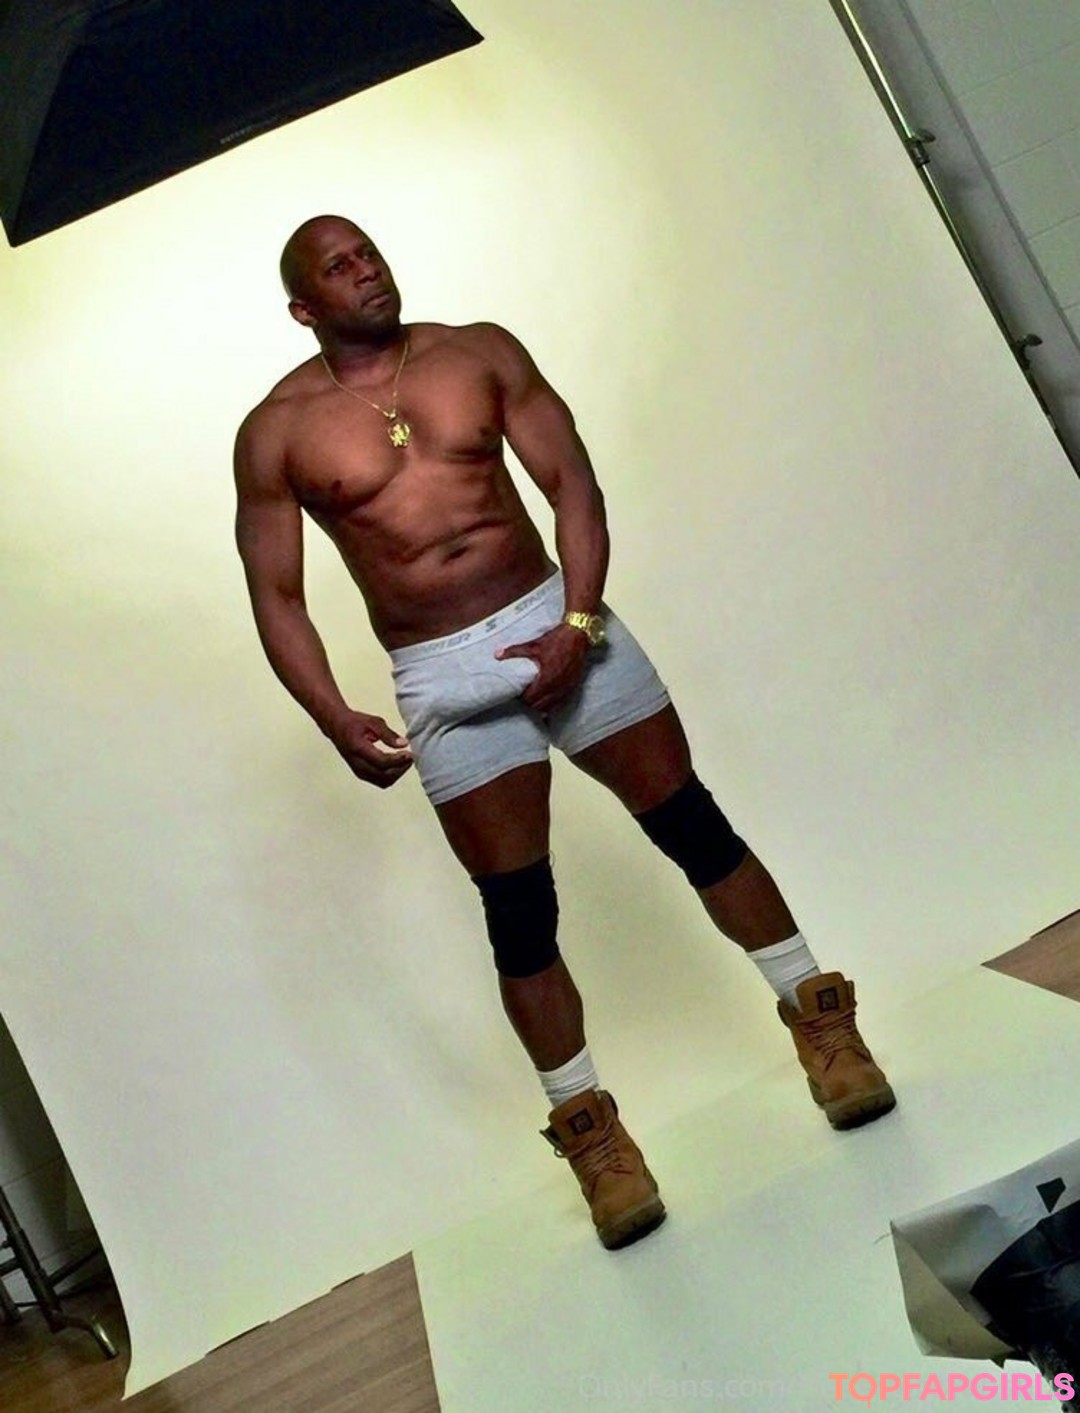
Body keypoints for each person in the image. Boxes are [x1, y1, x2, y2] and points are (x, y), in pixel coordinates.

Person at [234, 215, 896, 1252]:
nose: (368, 272)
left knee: (692, 827)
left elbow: (572, 484)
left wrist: (579, 623)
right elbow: (277, 595)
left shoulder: (477, 353)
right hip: (440, 672)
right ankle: (594, 1138)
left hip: (556, 614)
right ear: (302, 307)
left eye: (370, 253)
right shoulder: (277, 432)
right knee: (520, 912)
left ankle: (824, 1025)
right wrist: (332, 714)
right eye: (340, 268)